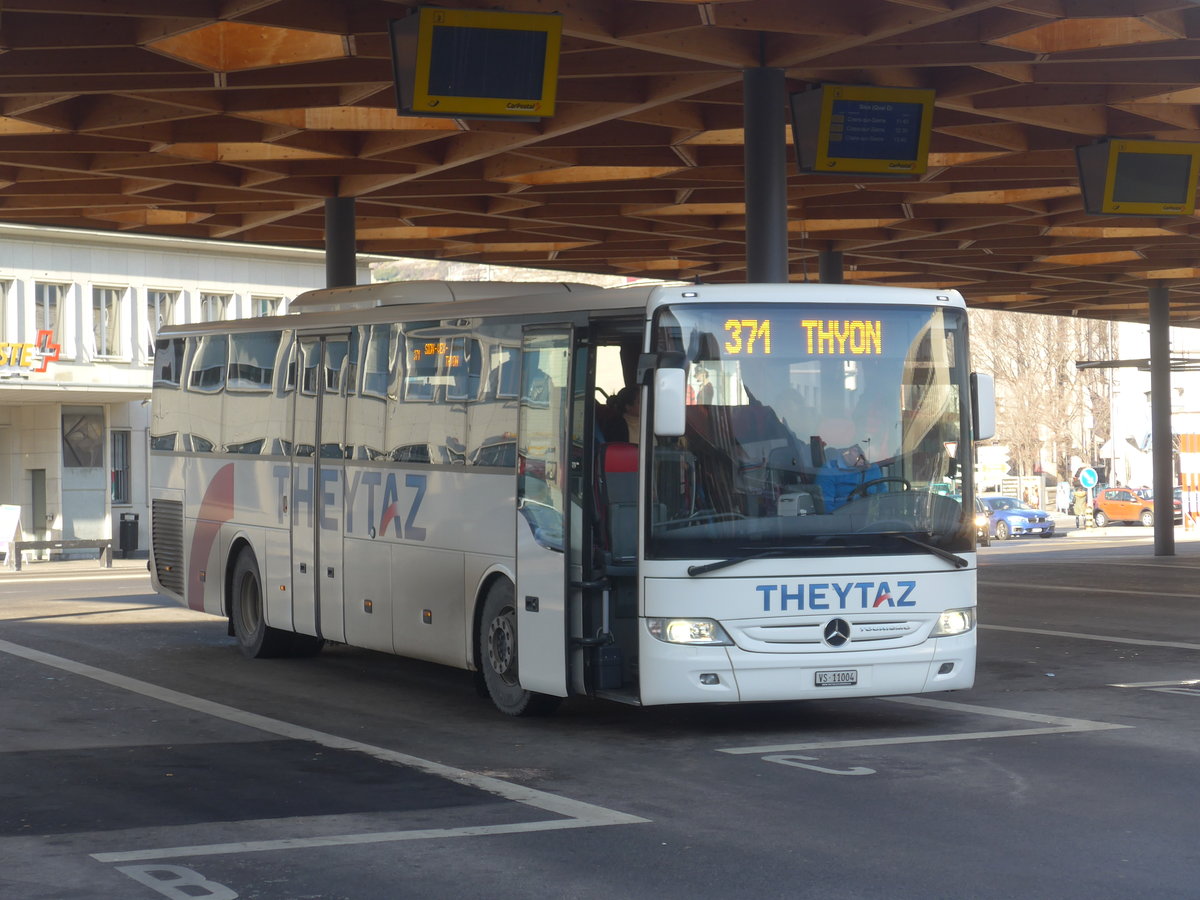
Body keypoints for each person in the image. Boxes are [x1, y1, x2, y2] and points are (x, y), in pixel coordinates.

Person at [817, 443, 882, 512]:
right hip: (842, 516)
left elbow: (883, 494)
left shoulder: (873, 469)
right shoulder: (829, 470)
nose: (863, 458)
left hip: (872, 516)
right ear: (849, 451)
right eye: (857, 451)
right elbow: (826, 507)